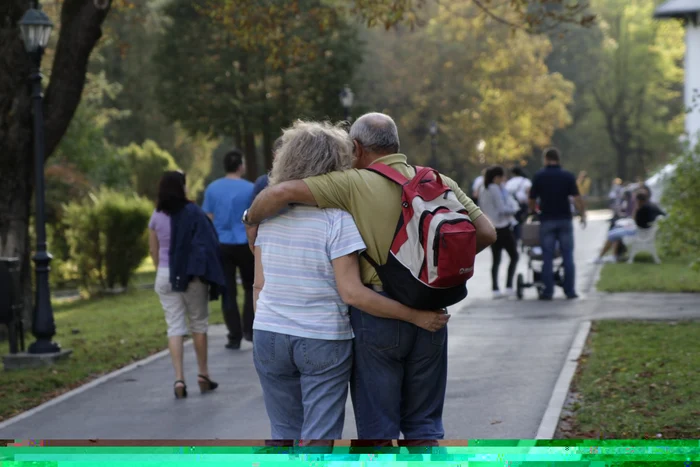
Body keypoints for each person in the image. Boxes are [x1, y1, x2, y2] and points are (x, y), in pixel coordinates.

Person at [243, 112, 496, 445]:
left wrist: (250, 220)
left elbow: (279, 193)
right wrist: (429, 270)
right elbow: (487, 233)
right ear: (396, 144)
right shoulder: (437, 180)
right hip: (433, 313)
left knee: (378, 431)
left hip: (377, 317)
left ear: (357, 147)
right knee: (424, 427)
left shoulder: (353, 183)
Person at [149, 171, 226, 398]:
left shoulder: (156, 215)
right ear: (181, 187)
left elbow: (153, 250)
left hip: (164, 274)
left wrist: (162, 270)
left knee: (174, 327)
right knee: (198, 325)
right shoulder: (192, 212)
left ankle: (179, 379)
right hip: (191, 275)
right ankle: (203, 374)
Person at [202, 149, 255, 350]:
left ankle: (234, 336)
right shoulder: (250, 189)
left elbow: (208, 217)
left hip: (222, 244)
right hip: (245, 242)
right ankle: (249, 330)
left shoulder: (212, 188)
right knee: (250, 287)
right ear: (240, 165)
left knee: (228, 291)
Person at [528, 148, 586, 301]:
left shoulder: (539, 176)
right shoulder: (567, 176)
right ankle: (570, 290)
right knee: (567, 256)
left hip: (547, 220)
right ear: (558, 159)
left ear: (546, 159)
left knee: (547, 257)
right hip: (565, 220)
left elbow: (532, 199)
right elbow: (577, 197)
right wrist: (583, 214)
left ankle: (548, 292)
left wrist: (533, 211)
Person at [479, 166, 520, 299]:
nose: (503, 180)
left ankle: (495, 288)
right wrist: (514, 210)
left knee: (496, 259)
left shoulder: (483, 189)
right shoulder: (495, 189)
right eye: (502, 177)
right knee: (514, 256)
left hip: (490, 227)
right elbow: (501, 208)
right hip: (502, 226)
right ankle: (508, 286)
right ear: (496, 178)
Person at [594, 191, 664, 263]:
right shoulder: (652, 206)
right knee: (616, 230)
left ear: (639, 200)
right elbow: (663, 214)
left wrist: (636, 209)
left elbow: (635, 220)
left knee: (611, 234)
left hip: (638, 233)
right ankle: (614, 256)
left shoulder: (642, 209)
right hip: (644, 232)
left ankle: (600, 257)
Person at [505, 166, 531, 242]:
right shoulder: (526, 181)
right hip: (523, 205)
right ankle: (523, 238)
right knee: (523, 222)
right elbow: (529, 193)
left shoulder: (509, 182)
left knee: (515, 222)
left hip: (512, 206)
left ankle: (516, 238)